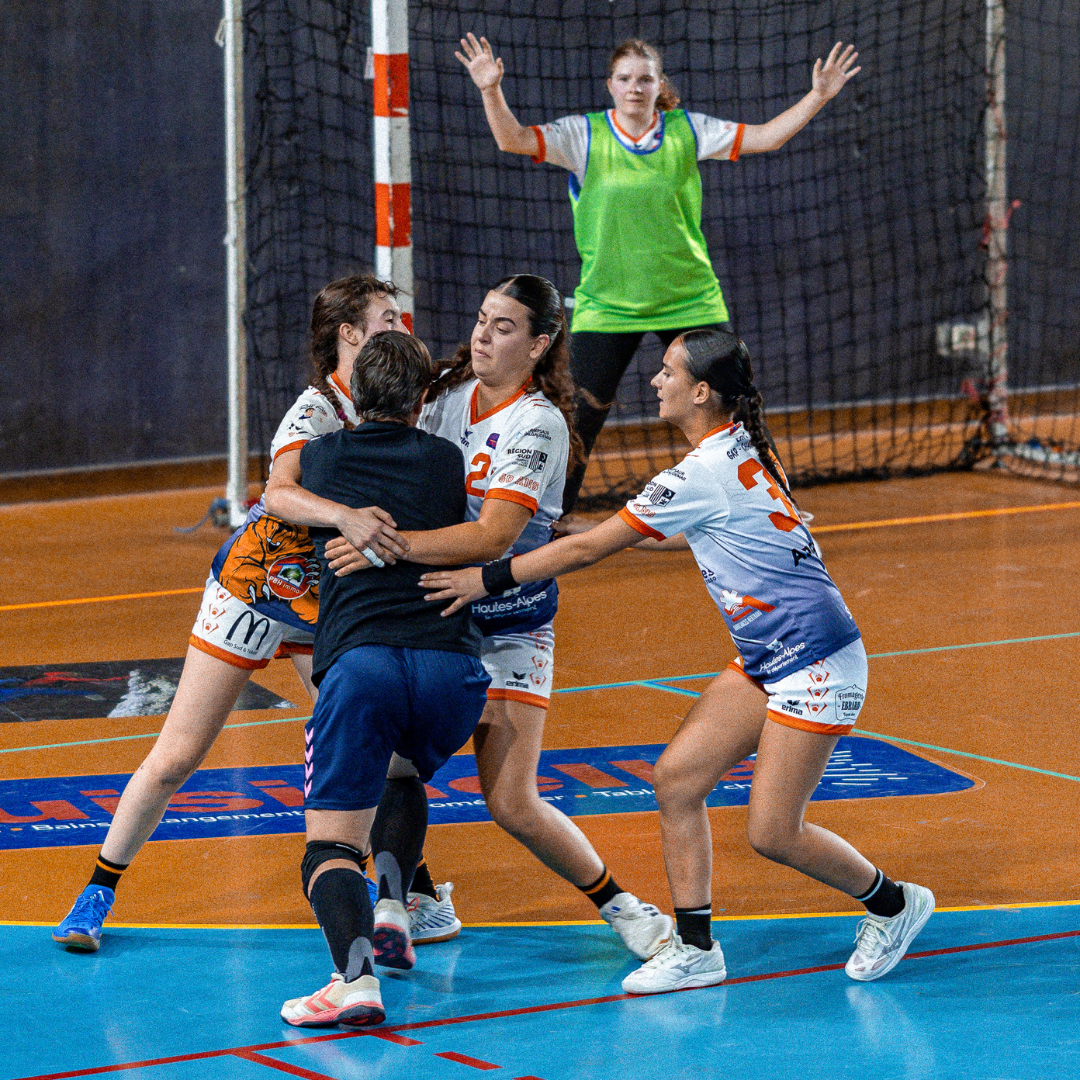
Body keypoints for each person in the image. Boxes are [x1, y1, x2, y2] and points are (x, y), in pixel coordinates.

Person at [419, 328, 935, 995]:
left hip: (817, 664)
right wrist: (623, 534)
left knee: (773, 832)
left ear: (701, 392)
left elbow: (581, 555)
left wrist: (484, 580)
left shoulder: (700, 472)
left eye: (667, 372)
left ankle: (895, 906)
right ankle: (696, 949)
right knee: (677, 781)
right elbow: (714, 527)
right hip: (768, 658)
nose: (655, 381)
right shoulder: (744, 443)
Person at [270, 274, 673, 962]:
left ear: (540, 344)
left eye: (505, 327)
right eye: (482, 319)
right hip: (438, 618)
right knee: (390, 765)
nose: (483, 335)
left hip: (510, 618)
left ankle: (625, 909)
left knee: (511, 800)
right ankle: (408, 902)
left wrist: (377, 546)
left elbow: (492, 539)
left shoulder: (537, 422)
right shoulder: (442, 398)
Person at [51, 274, 410, 952]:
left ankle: (397, 888)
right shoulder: (316, 409)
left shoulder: (392, 404)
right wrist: (345, 516)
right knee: (177, 755)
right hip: (253, 586)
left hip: (319, 603)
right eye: (387, 316)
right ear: (350, 334)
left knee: (373, 750)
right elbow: (277, 494)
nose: (400, 325)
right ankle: (95, 893)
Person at [456, 34, 860, 512]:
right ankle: (547, 518)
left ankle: (770, 507)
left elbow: (768, 137)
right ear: (610, 85)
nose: (634, 87)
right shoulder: (583, 135)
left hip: (689, 297)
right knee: (574, 417)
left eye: (644, 78)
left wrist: (818, 94)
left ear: (659, 83)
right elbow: (512, 139)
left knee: (730, 405)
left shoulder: (688, 130)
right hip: (607, 304)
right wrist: (489, 88)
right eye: (625, 78)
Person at [276, 331, 490, 1028]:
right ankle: (397, 904)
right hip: (451, 668)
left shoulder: (322, 455)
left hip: (364, 663)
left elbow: (277, 496)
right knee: (401, 776)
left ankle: (355, 980)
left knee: (331, 844)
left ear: (352, 395)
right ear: (424, 399)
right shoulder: (446, 459)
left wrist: (339, 517)